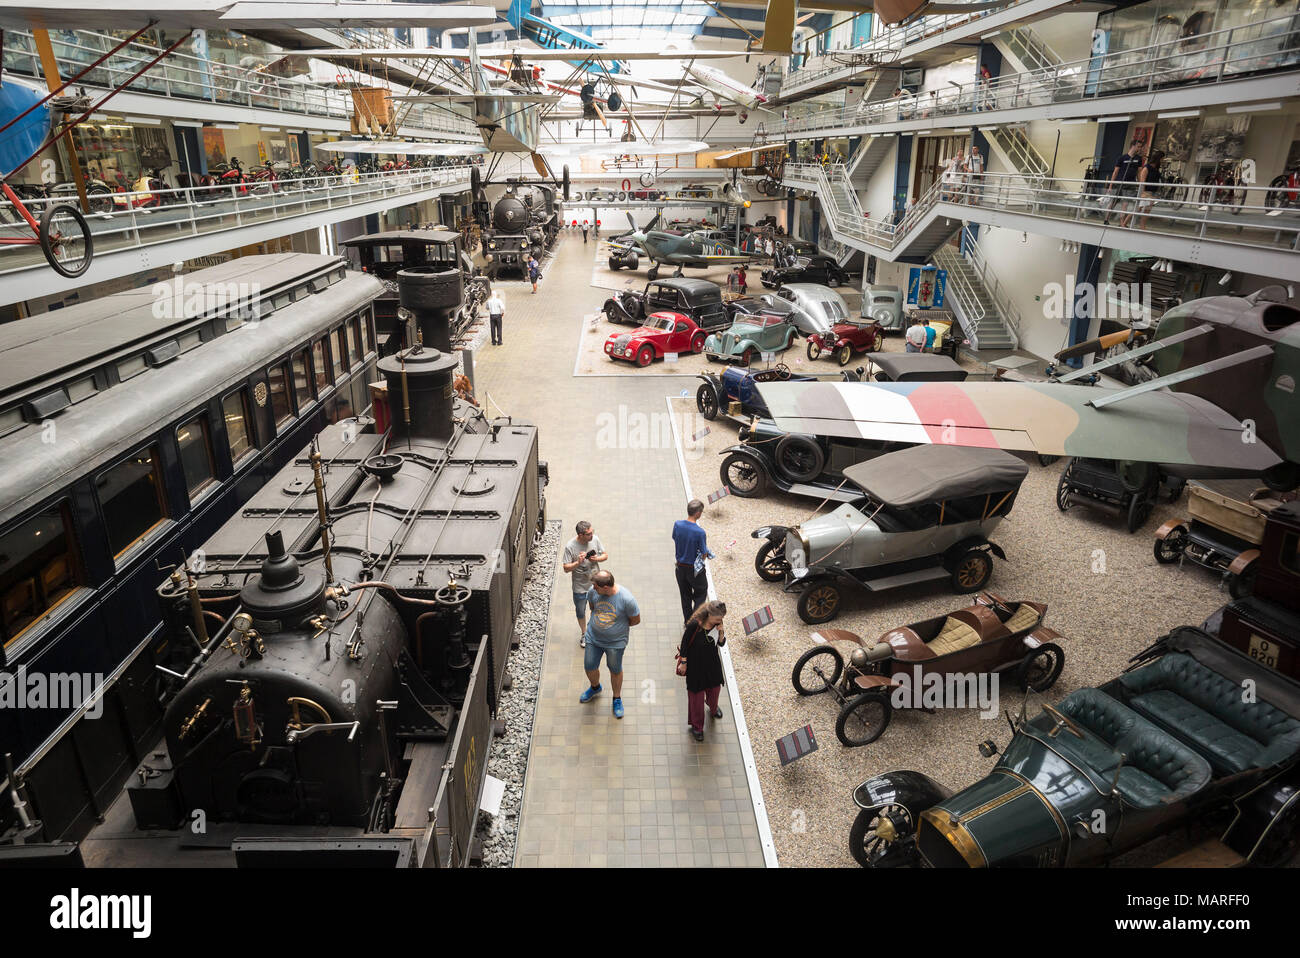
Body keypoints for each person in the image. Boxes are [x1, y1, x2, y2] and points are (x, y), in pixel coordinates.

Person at [579, 571, 640, 720]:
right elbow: (593, 607)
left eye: (595, 585)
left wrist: (617, 629)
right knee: (589, 666)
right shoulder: (593, 592)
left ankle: (617, 699)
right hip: (593, 638)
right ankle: (595, 687)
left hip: (615, 643)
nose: (592, 588)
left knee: (615, 669)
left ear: (605, 587)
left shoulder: (627, 599)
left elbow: (635, 620)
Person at [678, 600, 727, 742]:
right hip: (695, 667)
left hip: (712, 665)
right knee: (696, 699)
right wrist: (683, 663)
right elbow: (685, 643)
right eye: (718, 618)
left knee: (715, 690)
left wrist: (722, 633)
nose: (720, 621)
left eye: (722, 618)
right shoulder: (696, 624)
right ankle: (697, 727)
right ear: (710, 614)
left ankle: (712, 707)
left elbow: (721, 644)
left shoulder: (718, 625)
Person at [562, 521, 607, 648]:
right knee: (580, 611)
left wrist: (596, 559)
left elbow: (605, 555)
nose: (592, 535)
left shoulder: (595, 539)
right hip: (579, 586)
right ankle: (584, 633)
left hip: (595, 584)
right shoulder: (570, 546)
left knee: (597, 609)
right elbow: (565, 568)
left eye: (592, 532)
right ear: (580, 535)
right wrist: (578, 562)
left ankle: (595, 631)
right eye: (588, 534)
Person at [672, 499, 714, 622]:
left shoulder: (677, 525)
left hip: (680, 568)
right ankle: (695, 623)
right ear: (698, 513)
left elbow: (675, 538)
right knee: (701, 594)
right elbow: (704, 553)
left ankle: (687, 621)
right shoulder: (700, 532)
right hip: (694, 570)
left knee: (685, 596)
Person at [1107, 141, 1145, 225]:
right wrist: (1111, 185)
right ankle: (1106, 218)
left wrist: (1140, 184)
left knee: (1125, 203)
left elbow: (1139, 172)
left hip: (1131, 184)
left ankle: (1122, 222)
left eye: (1140, 147)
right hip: (1120, 183)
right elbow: (1115, 172)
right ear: (1132, 146)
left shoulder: (1138, 158)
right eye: (1138, 146)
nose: (1139, 149)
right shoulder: (1122, 158)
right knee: (1114, 202)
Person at [1132, 149, 1164, 231]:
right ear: (1158, 158)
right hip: (1146, 191)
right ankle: (1125, 222)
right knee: (1138, 209)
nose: (1162, 160)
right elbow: (1142, 180)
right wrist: (1143, 192)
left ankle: (1142, 226)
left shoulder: (1156, 168)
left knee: (1147, 210)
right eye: (1162, 159)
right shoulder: (1147, 167)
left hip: (1152, 192)